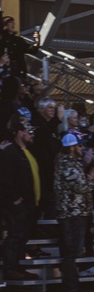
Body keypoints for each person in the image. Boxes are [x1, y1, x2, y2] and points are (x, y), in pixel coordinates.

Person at [53, 134, 94, 292]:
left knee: (72, 251)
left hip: (76, 212)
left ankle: (72, 286)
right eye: (80, 146)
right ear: (72, 147)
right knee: (70, 252)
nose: (82, 148)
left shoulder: (70, 163)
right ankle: (70, 288)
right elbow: (78, 186)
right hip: (71, 213)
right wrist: (93, 182)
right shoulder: (67, 164)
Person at [0, 115, 41, 281]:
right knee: (15, 235)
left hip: (29, 203)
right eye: (27, 131)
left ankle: (18, 266)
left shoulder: (24, 151)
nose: (31, 134)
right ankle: (10, 268)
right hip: (16, 204)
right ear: (18, 133)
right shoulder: (10, 152)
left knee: (23, 235)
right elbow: (6, 177)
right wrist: (15, 198)